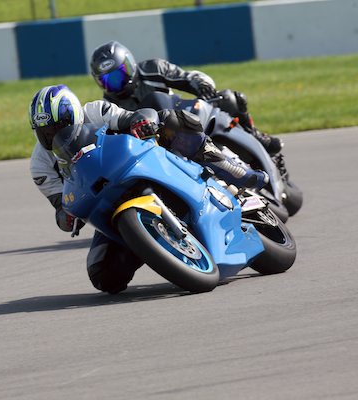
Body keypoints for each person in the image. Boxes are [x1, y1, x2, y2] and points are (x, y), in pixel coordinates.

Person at [29, 84, 267, 294]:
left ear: (75, 115)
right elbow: (60, 206)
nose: (53, 135)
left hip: (141, 163)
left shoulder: (96, 111)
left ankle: (232, 169)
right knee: (103, 276)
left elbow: (134, 116)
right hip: (106, 202)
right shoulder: (40, 165)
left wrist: (141, 121)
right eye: (45, 132)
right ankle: (154, 245)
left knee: (171, 120)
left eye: (59, 126)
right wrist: (66, 217)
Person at [89, 40, 283, 156]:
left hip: (184, 117)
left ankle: (255, 135)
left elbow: (187, 77)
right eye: (108, 81)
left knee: (230, 98)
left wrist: (203, 86)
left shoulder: (153, 69)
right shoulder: (108, 107)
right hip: (160, 144)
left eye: (119, 75)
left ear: (130, 65)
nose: (116, 83)